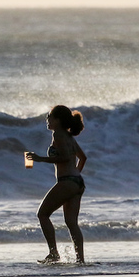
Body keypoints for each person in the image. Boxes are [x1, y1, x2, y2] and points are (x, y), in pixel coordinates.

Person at [25, 105, 87, 264]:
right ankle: (80, 260)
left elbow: (65, 158)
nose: (47, 119)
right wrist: (76, 174)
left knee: (42, 214)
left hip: (67, 181)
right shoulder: (68, 136)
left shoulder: (58, 135)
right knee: (71, 223)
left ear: (58, 120)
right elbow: (82, 158)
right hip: (77, 182)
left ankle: (53, 253)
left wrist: (39, 159)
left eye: (50, 116)